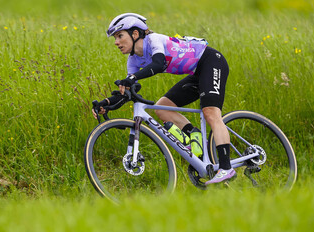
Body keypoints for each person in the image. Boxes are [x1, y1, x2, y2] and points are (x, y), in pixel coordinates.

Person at [95, 13, 236, 185]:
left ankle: (226, 167)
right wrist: (107, 104)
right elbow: (129, 90)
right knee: (161, 108)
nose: (116, 42)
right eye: (115, 38)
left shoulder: (153, 40)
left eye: (119, 36)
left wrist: (131, 78)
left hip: (211, 61)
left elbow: (158, 63)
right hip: (196, 73)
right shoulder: (133, 60)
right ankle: (195, 136)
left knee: (211, 113)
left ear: (135, 34)